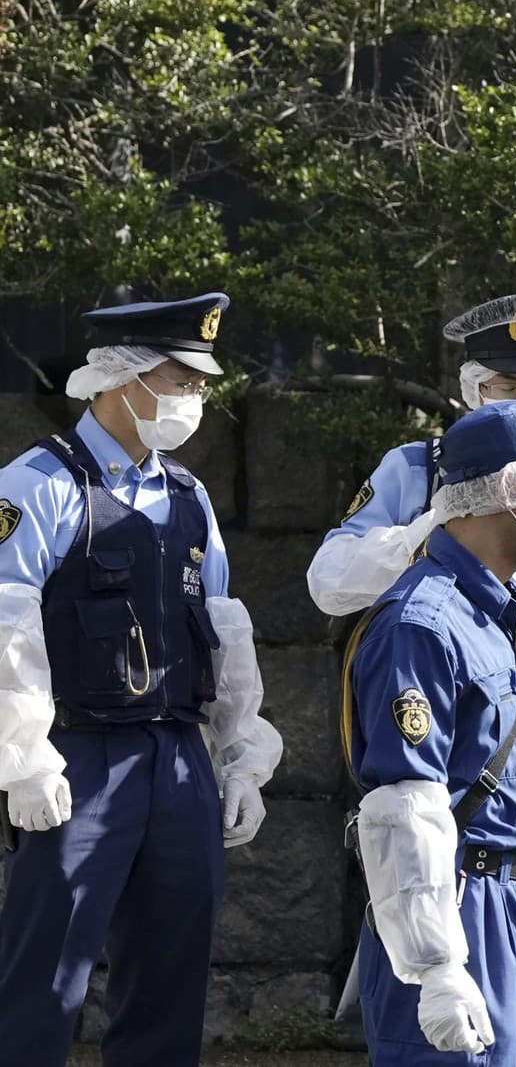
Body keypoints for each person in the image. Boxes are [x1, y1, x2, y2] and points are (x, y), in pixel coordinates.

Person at [0, 293, 283, 1066]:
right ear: (122, 380)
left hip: (177, 762)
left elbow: (223, 633)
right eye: (181, 381)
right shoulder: (40, 485)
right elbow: (5, 629)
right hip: (76, 760)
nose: (194, 399)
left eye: (199, 384)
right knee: (42, 983)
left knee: (172, 982)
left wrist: (238, 756)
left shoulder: (188, 499)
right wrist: (22, 757)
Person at [345, 399, 516, 1064]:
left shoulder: (496, 611)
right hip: (459, 909)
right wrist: (434, 965)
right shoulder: (423, 622)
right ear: (509, 491)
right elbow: (405, 805)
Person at [307, 292, 516, 616]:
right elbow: (328, 580)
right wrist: (428, 539)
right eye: (507, 387)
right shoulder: (417, 466)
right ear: (475, 388)